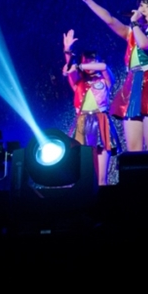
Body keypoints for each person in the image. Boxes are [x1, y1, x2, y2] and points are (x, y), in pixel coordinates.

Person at [79, 0, 148, 151]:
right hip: (132, 82)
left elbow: (145, 43)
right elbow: (109, 20)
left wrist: (134, 23)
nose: (142, 10)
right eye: (141, 6)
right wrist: (88, 0)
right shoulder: (132, 31)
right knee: (133, 147)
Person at [62, 29, 119, 185]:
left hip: (101, 119)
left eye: (92, 60)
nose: (89, 64)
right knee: (85, 173)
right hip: (82, 121)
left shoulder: (105, 80)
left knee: (101, 178)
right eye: (86, 60)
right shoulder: (78, 82)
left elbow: (103, 66)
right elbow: (69, 70)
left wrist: (81, 65)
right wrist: (67, 51)